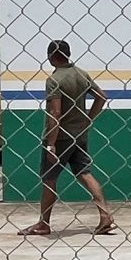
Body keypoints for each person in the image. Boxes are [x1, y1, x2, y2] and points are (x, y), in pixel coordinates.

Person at [20, 39, 113, 237]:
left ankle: (43, 223)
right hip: (80, 135)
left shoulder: (54, 80)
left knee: (49, 179)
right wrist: (88, 118)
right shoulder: (81, 73)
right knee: (85, 173)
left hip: (60, 137)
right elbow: (101, 96)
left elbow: (55, 113)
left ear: (51, 56)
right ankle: (105, 216)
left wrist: (51, 144)